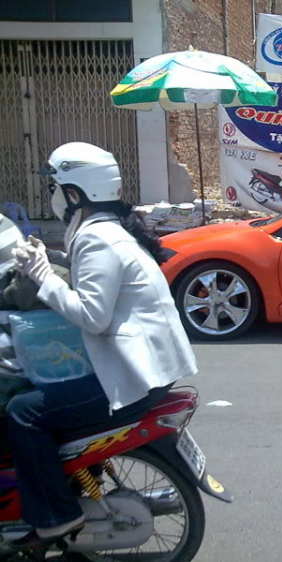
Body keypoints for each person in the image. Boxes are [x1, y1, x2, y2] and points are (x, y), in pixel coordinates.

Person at [9, 142, 197, 550]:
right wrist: (48, 260)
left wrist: (43, 276)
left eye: (54, 189)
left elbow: (92, 315)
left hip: (134, 377)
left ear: (74, 194)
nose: (52, 197)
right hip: (143, 367)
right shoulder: (107, 231)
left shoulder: (98, 239)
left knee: (23, 412)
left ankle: (56, 517)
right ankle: (75, 481)